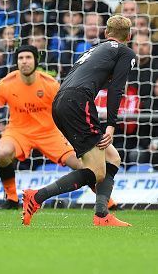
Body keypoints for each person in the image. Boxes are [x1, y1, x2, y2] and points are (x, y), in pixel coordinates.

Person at [22, 15, 136, 227]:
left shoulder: (93, 50)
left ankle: (102, 214)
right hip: (78, 101)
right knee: (97, 172)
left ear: (105, 33)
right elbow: (116, 89)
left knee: (113, 157)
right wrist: (111, 125)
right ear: (129, 36)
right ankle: (37, 196)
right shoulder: (125, 52)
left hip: (60, 101)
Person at [0, 45, 114, 209]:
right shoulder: (6, 84)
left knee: (82, 165)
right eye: (21, 58)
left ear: (35, 61)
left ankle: (108, 203)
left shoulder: (50, 84)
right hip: (18, 132)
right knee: (2, 153)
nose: (24, 62)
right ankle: (11, 199)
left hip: (49, 132)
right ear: (16, 62)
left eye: (28, 58)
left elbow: (66, 107)